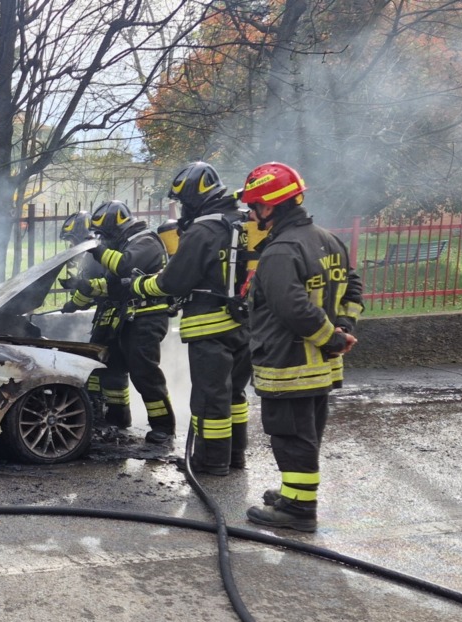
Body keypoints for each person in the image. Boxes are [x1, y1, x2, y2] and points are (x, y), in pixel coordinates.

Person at [237, 162, 363, 532]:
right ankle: (294, 493)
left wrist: (332, 338)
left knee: (291, 434)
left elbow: (292, 308)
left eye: (254, 205)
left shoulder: (280, 251)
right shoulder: (328, 239)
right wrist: (344, 328)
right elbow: (352, 288)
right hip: (322, 365)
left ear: (270, 207)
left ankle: (298, 511)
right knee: (307, 431)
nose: (251, 212)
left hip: (288, 362)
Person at [128, 161, 251, 474]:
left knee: (211, 401)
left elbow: (172, 282)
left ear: (196, 198)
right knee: (234, 397)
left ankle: (211, 462)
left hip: (209, 328)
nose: (182, 208)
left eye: (184, 202)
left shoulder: (203, 231)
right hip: (244, 325)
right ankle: (234, 457)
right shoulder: (242, 223)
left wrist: (141, 284)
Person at [61, 201, 175, 443]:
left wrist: (93, 248)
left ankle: (164, 426)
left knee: (144, 373)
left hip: (147, 317)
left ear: (118, 227)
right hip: (128, 317)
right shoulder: (123, 246)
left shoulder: (146, 242)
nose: (102, 240)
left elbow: (124, 267)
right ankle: (118, 418)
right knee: (113, 371)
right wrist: (79, 295)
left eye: (104, 234)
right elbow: (112, 286)